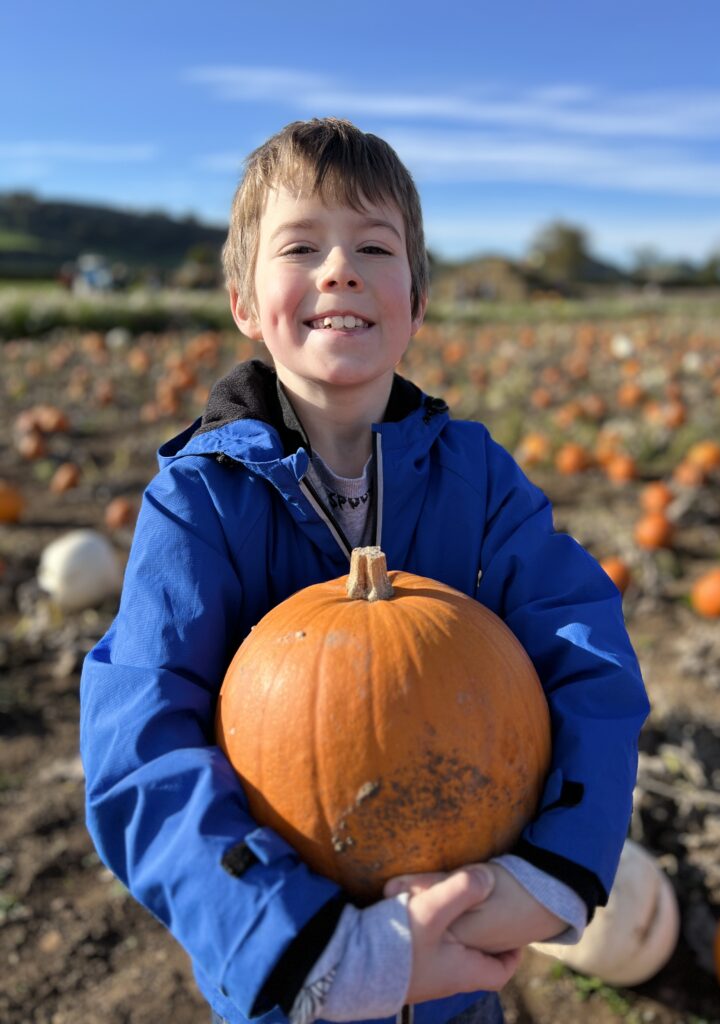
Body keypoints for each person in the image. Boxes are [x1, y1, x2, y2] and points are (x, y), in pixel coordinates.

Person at [80, 117, 650, 1024]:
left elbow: (587, 651)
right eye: (301, 245)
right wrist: (321, 947)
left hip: (464, 945)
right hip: (296, 977)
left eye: (373, 247)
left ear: (416, 302)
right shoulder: (197, 504)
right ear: (243, 301)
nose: (339, 268)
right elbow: (139, 744)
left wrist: (553, 868)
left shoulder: (480, 479)